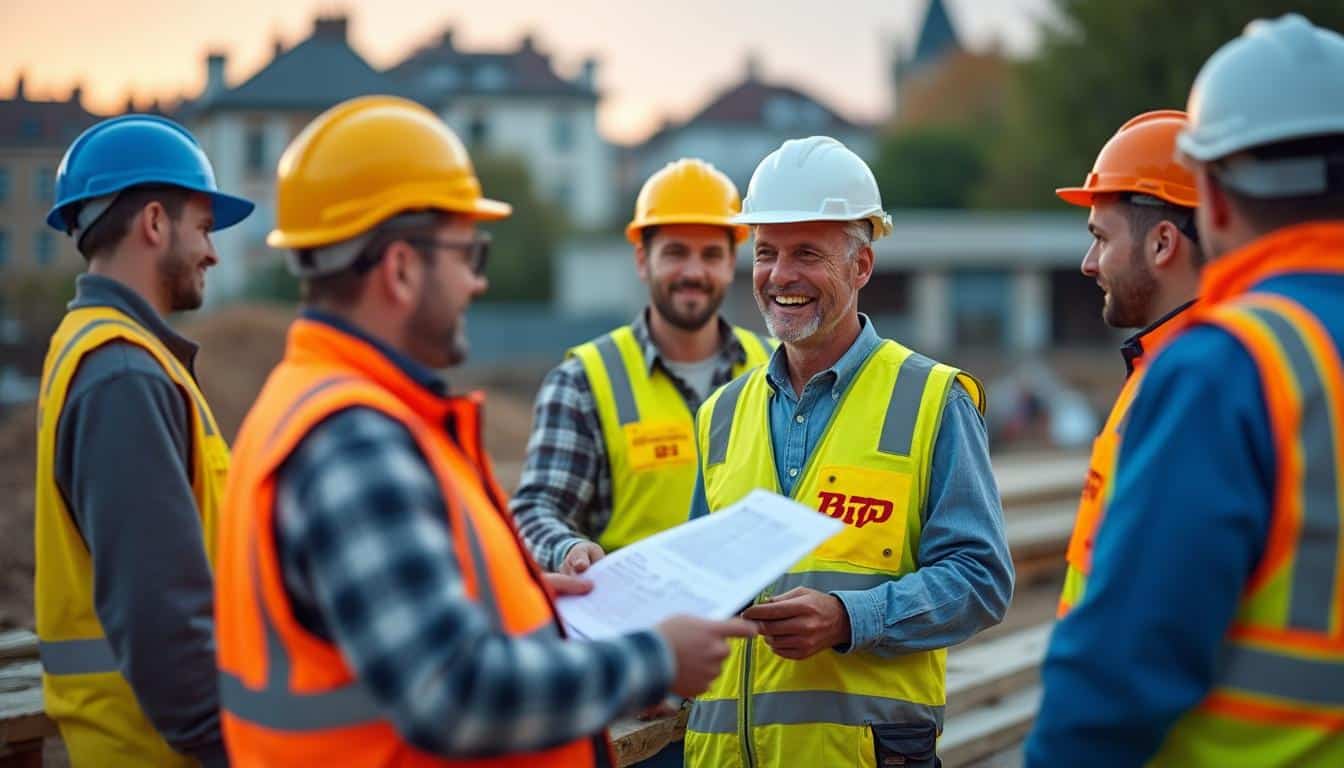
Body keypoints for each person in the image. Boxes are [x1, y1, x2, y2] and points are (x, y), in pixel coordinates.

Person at [213, 95, 754, 766]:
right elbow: (456, 692)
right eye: (469, 252)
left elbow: (406, 629)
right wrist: (652, 659)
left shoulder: (332, 408)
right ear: (402, 267)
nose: (477, 280)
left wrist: (516, 600)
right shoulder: (353, 440)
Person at [1028, 14, 1344, 767]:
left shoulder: (1228, 368)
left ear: (1217, 201)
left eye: (1101, 238)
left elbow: (1118, 672)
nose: (1088, 262)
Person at [682, 136, 1014, 768]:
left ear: (861, 267)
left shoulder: (934, 401)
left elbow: (982, 580)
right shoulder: (721, 414)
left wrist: (848, 618)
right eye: (767, 253)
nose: (781, 276)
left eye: (807, 253)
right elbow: (702, 589)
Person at [34, 115, 253, 766]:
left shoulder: (107, 352)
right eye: (205, 228)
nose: (213, 252)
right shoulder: (122, 374)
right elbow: (165, 621)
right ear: (155, 223)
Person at [512, 158, 771, 577]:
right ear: (641, 260)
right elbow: (536, 510)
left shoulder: (778, 368)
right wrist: (567, 549)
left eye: (710, 255)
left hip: (755, 639)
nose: (693, 271)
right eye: (675, 253)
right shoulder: (583, 381)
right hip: (638, 635)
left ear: (730, 262)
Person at [1052, 110, 1203, 617]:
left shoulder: (1196, 388)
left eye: (1103, 237)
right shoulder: (1160, 370)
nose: (1089, 263)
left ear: (1162, 242)